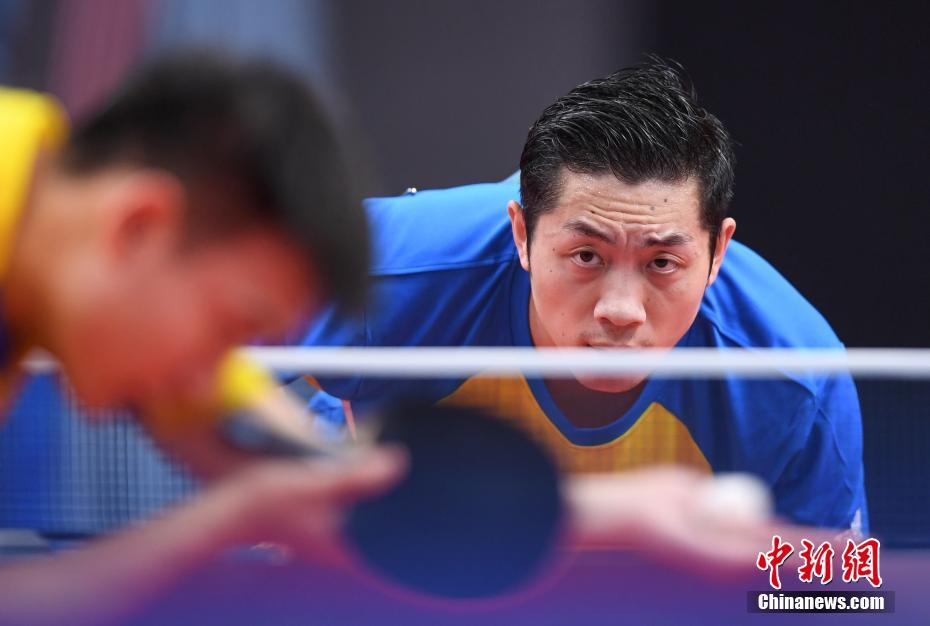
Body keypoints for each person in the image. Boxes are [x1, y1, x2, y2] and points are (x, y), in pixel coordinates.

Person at [301, 59, 867, 532]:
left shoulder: (796, 375)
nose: (620, 310)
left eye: (663, 263)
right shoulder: (380, 271)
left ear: (719, 252)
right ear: (522, 233)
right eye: (586, 257)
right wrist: (331, 473)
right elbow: (222, 377)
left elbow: (833, 595)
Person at [0, 53, 404, 625]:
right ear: (139, 224)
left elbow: (237, 417)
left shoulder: (43, 196)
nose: (206, 374)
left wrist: (335, 471)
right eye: (231, 326)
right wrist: (231, 518)